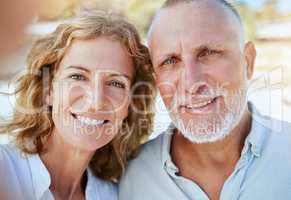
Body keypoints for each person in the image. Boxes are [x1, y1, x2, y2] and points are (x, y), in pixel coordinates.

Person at [119, 0, 291, 200]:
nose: (192, 83)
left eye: (208, 53)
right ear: (156, 78)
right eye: (170, 61)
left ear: (247, 62)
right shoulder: (129, 179)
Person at [0, 9, 155, 200]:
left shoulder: (115, 196)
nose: (95, 102)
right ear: (49, 91)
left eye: (115, 83)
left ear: (130, 104)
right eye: (78, 76)